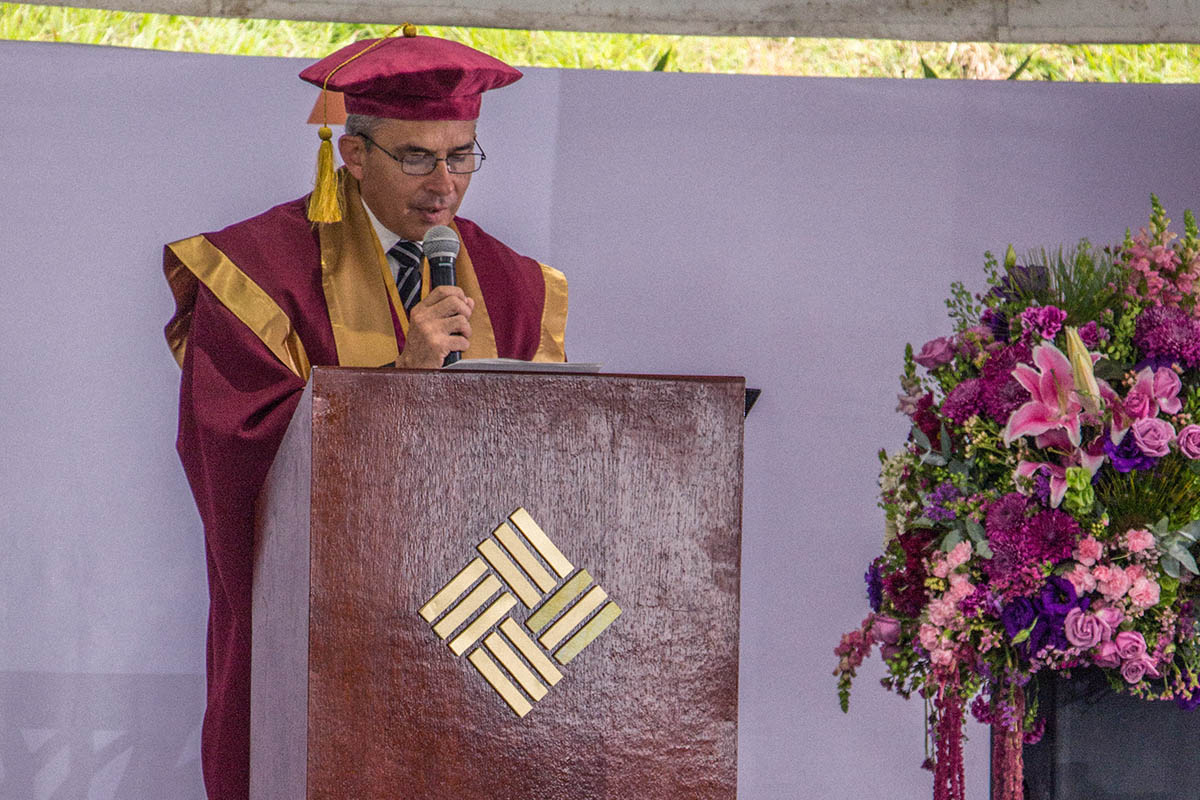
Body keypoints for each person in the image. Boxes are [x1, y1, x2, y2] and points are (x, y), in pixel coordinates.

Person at [162, 29, 566, 800]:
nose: (443, 184)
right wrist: (396, 384)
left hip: (481, 636)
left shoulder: (516, 286)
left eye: (462, 155)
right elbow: (233, 450)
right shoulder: (256, 272)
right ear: (352, 154)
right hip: (325, 633)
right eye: (417, 156)